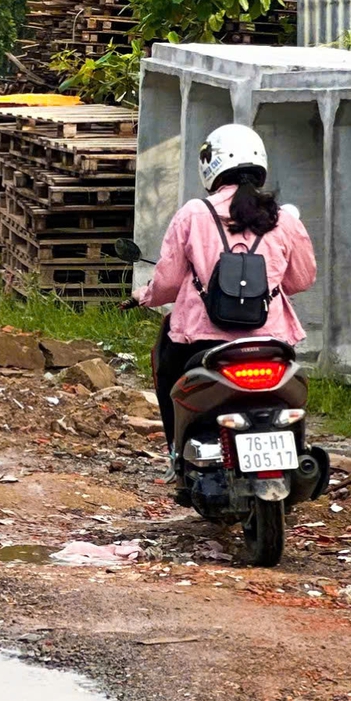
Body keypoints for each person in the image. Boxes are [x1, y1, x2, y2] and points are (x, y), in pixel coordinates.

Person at [136, 124, 316, 466]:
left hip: (201, 342)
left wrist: (146, 295)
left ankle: (178, 454)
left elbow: (169, 283)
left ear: (210, 165)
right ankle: (296, 451)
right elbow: (302, 280)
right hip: (271, 340)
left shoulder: (193, 213)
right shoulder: (284, 218)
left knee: (167, 378)